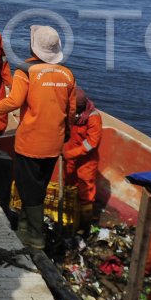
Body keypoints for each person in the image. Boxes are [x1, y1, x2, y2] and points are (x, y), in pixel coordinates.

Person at [0, 25, 76, 249]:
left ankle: (35, 236)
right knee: (38, 186)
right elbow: (70, 112)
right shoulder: (67, 74)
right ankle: (24, 228)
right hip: (54, 143)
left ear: (34, 45)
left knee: (26, 187)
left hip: (30, 142)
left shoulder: (26, 70)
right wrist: (64, 133)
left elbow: (13, 102)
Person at [63, 87, 103, 229]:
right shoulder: (68, 112)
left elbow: (91, 143)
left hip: (86, 161)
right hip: (69, 158)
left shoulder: (93, 117)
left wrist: (70, 154)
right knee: (68, 185)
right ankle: (69, 215)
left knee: (85, 191)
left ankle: (84, 225)